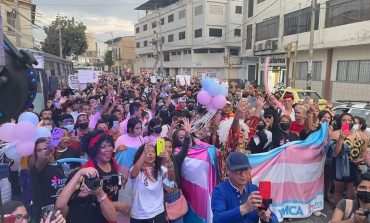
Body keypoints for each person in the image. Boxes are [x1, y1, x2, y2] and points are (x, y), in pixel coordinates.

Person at [211, 152, 278, 223]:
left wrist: (267, 219)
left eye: (246, 170)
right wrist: (245, 208)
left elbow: (271, 215)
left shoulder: (254, 189)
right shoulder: (220, 190)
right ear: (228, 170)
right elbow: (217, 219)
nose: (243, 174)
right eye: (238, 170)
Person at [80, 130, 130, 216]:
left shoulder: (112, 162)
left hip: (111, 215)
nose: (109, 150)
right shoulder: (89, 170)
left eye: (110, 145)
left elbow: (114, 185)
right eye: (103, 147)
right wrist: (116, 205)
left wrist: (121, 181)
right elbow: (85, 200)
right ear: (95, 150)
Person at [129, 142, 175, 223]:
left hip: (159, 213)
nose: (150, 154)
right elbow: (133, 174)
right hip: (140, 216)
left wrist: (169, 161)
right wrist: (143, 152)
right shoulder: (136, 169)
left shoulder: (160, 168)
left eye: (153, 152)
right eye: (147, 152)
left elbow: (171, 179)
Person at [331, 113, 369, 205]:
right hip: (339, 165)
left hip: (353, 165)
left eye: (349, 120)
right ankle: (337, 211)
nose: (347, 122)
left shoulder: (362, 135)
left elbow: (364, 152)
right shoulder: (335, 134)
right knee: (339, 190)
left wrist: (361, 159)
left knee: (351, 191)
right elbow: (335, 154)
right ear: (340, 122)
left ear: (353, 122)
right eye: (344, 120)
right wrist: (340, 139)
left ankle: (351, 210)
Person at [29, 138, 67, 222]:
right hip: (47, 216)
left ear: (53, 150)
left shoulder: (61, 165)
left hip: (64, 212)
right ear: (36, 154)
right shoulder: (36, 169)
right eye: (39, 150)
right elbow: (43, 157)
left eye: (45, 148)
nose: (43, 152)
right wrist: (48, 150)